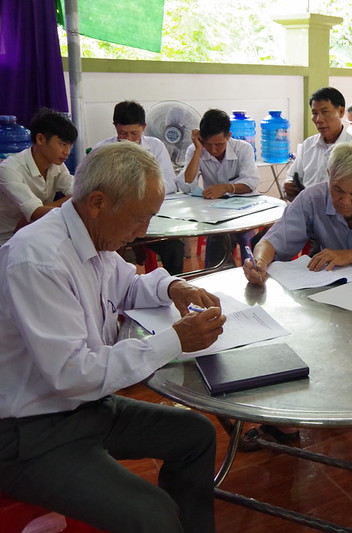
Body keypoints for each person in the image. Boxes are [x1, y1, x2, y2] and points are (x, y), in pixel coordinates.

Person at [0, 142, 226, 533]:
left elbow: (128, 285)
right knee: (152, 515)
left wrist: (174, 287)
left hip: (83, 408)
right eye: (140, 218)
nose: (143, 231)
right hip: (28, 432)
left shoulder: (94, 238)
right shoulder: (38, 258)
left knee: (196, 435)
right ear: (98, 203)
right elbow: (71, 374)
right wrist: (176, 339)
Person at [243, 141, 352, 281]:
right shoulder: (312, 198)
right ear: (329, 175)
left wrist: (350, 256)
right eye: (337, 190)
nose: (345, 201)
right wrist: (259, 263)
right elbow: (271, 242)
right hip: (328, 285)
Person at [94, 100, 184, 274]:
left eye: (134, 133)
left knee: (174, 248)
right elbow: (93, 188)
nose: (128, 139)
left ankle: (174, 287)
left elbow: (170, 183)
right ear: (115, 127)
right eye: (122, 133)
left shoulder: (155, 147)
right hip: (116, 221)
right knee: (107, 253)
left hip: (149, 220)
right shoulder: (102, 149)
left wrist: (140, 193)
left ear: (144, 127)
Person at [177, 108, 259, 267]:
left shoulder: (243, 148)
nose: (213, 150)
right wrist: (198, 150)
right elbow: (186, 184)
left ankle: (247, 270)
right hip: (214, 212)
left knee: (241, 236)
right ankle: (220, 273)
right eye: (208, 144)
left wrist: (227, 187)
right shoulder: (195, 150)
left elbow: (251, 182)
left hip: (244, 209)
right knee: (218, 238)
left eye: (219, 145)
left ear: (228, 136)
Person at [0, 108, 75, 245]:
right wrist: (75, 202)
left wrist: (76, 200)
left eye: (70, 146)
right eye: (63, 144)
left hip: (37, 231)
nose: (67, 152)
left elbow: (79, 192)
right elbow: (35, 213)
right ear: (40, 139)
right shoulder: (9, 169)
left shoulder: (56, 164)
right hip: (8, 239)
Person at [283, 87, 352, 200]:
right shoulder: (308, 145)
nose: (318, 119)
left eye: (325, 112)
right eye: (314, 113)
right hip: (306, 206)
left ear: (341, 112)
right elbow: (293, 176)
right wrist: (288, 185)